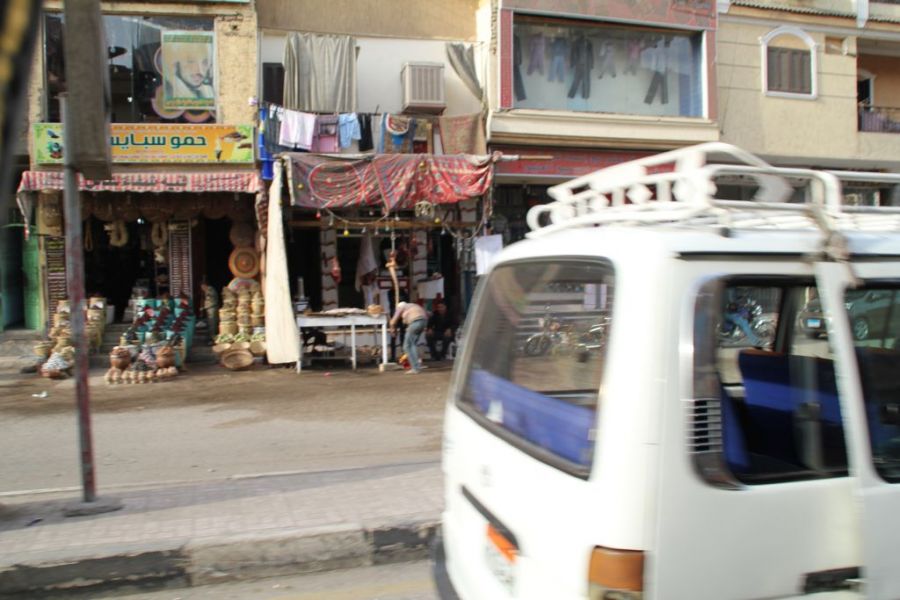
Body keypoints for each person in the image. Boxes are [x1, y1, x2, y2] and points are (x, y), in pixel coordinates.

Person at [390, 300, 427, 374]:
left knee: (407, 346)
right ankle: (417, 366)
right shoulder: (413, 305)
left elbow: (393, 321)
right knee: (413, 344)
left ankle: (415, 368)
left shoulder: (401, 307)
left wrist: (392, 329)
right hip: (423, 322)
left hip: (415, 322)